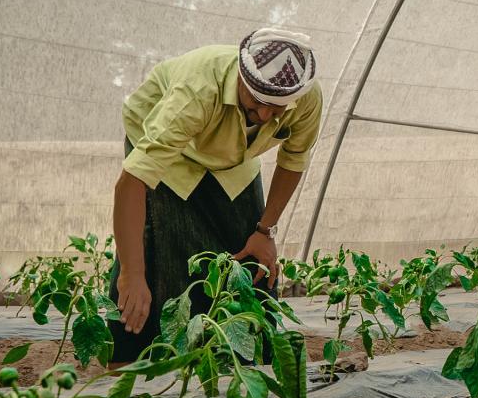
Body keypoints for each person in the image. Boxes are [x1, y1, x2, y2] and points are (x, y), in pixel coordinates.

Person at [108, 28, 323, 365]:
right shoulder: (196, 92)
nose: (266, 116)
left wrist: (264, 231)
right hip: (165, 148)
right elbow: (132, 182)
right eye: (258, 102)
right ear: (241, 76)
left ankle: (247, 358)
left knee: (250, 258)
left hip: (233, 155)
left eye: (276, 108)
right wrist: (132, 275)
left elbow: (293, 159)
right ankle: (128, 361)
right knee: (159, 245)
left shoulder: (306, 100)